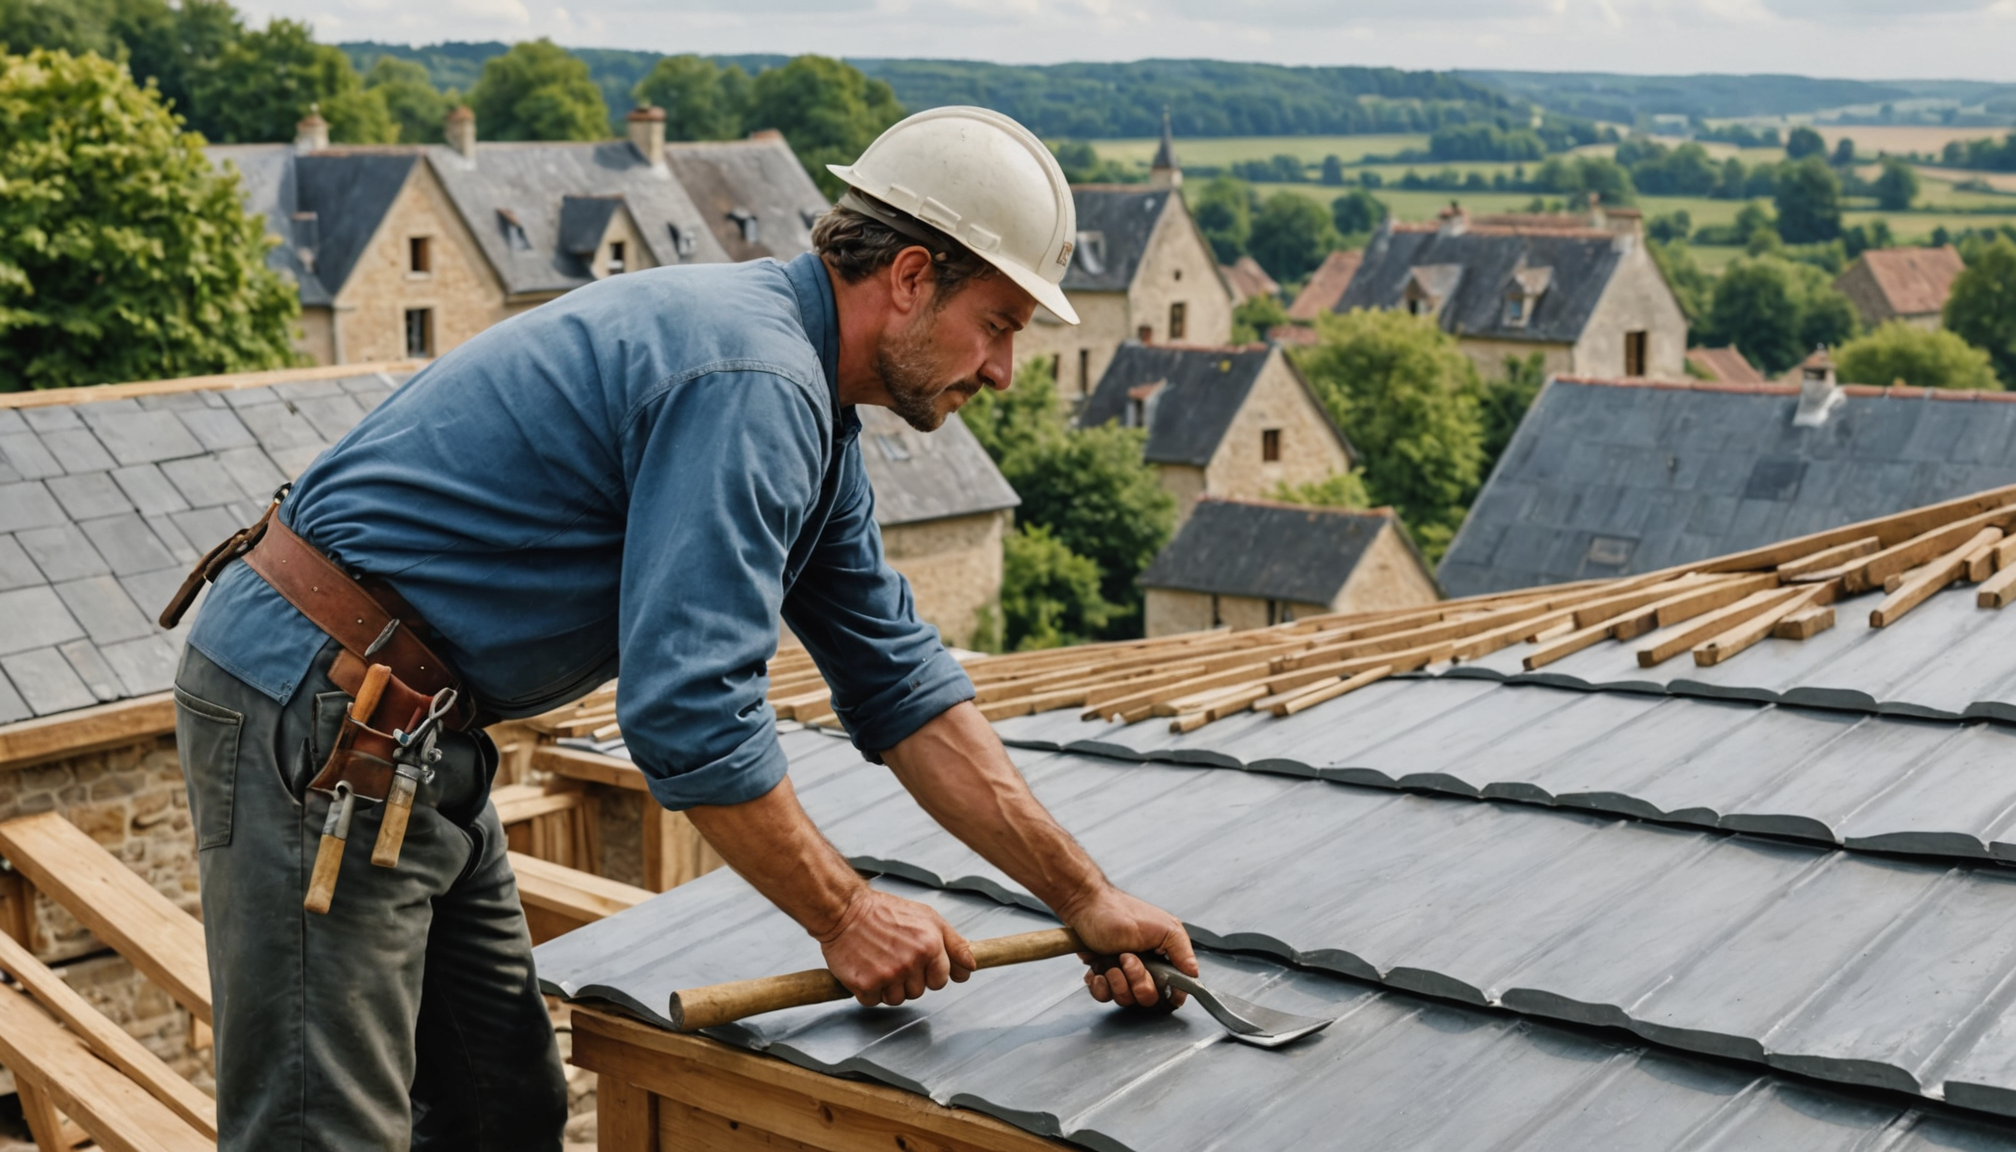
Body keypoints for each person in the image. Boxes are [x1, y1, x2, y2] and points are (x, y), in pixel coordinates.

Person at [164, 105, 1197, 1151]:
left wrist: (1088, 898)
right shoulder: (753, 383)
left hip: (415, 728)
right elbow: (689, 713)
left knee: (499, 1104)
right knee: (323, 1130)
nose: (1005, 369)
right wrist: (846, 916)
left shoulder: (812, 416)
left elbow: (900, 686)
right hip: (324, 710)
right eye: (1003, 323)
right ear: (913, 275)